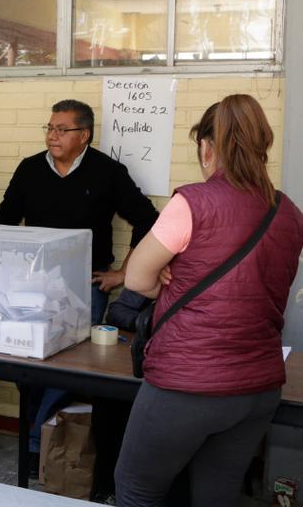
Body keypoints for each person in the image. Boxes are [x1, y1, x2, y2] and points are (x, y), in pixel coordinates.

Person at [115, 95, 303, 506]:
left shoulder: (193, 202)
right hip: (257, 387)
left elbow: (135, 278)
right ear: (263, 145)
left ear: (206, 146)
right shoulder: (288, 212)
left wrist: (171, 281)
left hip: (187, 385)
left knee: (137, 489)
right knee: (216, 494)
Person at [0, 99, 159, 487]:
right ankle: (40, 437)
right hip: (34, 290)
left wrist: (123, 274)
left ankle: (39, 438)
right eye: (49, 128)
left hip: (85, 288)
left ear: (83, 135)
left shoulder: (108, 172)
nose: (52, 135)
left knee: (69, 367)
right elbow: (5, 220)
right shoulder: (30, 168)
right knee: (30, 364)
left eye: (61, 129)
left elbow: (147, 219)